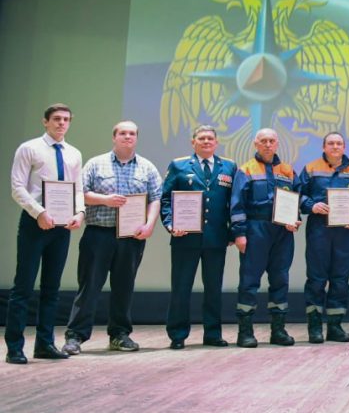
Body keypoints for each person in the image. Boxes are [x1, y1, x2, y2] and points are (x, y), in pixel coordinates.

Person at [62, 120, 161, 355]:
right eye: (123, 133)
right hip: (99, 233)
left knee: (124, 287)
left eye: (132, 134)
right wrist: (104, 200)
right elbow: (79, 194)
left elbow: (156, 198)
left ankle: (119, 334)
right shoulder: (96, 164)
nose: (128, 137)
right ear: (114, 137)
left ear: (136, 138)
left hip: (132, 237)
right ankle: (75, 336)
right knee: (89, 287)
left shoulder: (147, 167)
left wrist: (149, 224)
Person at [6, 103, 85, 365]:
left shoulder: (73, 153)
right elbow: (17, 187)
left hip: (62, 226)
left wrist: (80, 213)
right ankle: (14, 347)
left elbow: (77, 189)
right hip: (34, 224)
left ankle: (45, 344)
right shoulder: (29, 148)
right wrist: (38, 212)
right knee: (23, 288)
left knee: (51, 289)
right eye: (57, 119)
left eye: (66, 119)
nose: (61, 123)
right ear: (45, 122)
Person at [160, 125, 238, 349]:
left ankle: (213, 334)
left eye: (210, 139)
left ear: (216, 142)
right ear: (192, 142)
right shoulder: (179, 165)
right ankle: (177, 335)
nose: (206, 142)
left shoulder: (229, 167)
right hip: (185, 237)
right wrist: (170, 224)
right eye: (201, 138)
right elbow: (166, 200)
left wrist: (232, 231)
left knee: (214, 288)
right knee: (181, 288)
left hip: (216, 238)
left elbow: (233, 203)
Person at [296, 132, 349, 344]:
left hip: (345, 232)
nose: (335, 146)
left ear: (344, 147)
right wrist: (312, 205)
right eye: (331, 143)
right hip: (319, 230)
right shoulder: (311, 168)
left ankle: (335, 326)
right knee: (317, 279)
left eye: (339, 143)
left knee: (340, 279)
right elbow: (298, 195)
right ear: (324, 147)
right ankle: (315, 327)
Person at [229, 128, 301, 348]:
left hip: (282, 232)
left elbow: (297, 199)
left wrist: (295, 219)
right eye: (263, 141)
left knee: (280, 279)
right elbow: (237, 204)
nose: (268, 145)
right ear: (255, 144)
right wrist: (240, 234)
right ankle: (245, 332)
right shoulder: (246, 170)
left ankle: (278, 330)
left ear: (277, 143)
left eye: (271, 141)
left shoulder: (288, 171)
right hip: (255, 229)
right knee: (249, 281)